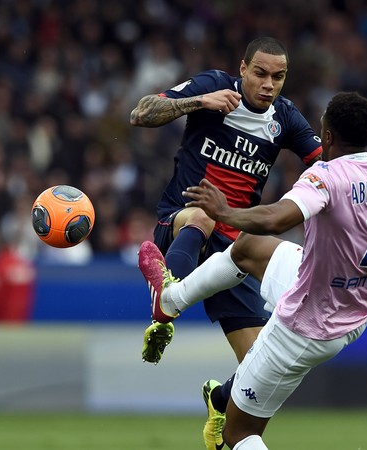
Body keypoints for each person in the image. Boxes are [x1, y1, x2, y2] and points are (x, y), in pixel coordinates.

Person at [139, 91, 367, 449]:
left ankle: (224, 402)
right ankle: (171, 300)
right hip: (353, 304)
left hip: (306, 324)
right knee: (249, 247)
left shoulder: (326, 177)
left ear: (328, 136)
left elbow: (276, 217)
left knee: (238, 432)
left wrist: (224, 212)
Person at [130, 36, 321, 450]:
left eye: (278, 76)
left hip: (235, 250)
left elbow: (327, 168)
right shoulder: (212, 86)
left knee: (263, 363)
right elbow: (140, 113)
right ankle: (167, 295)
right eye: (260, 73)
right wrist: (198, 103)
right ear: (242, 68)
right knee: (202, 214)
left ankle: (220, 401)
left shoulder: (285, 118)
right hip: (180, 223)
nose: (269, 84)